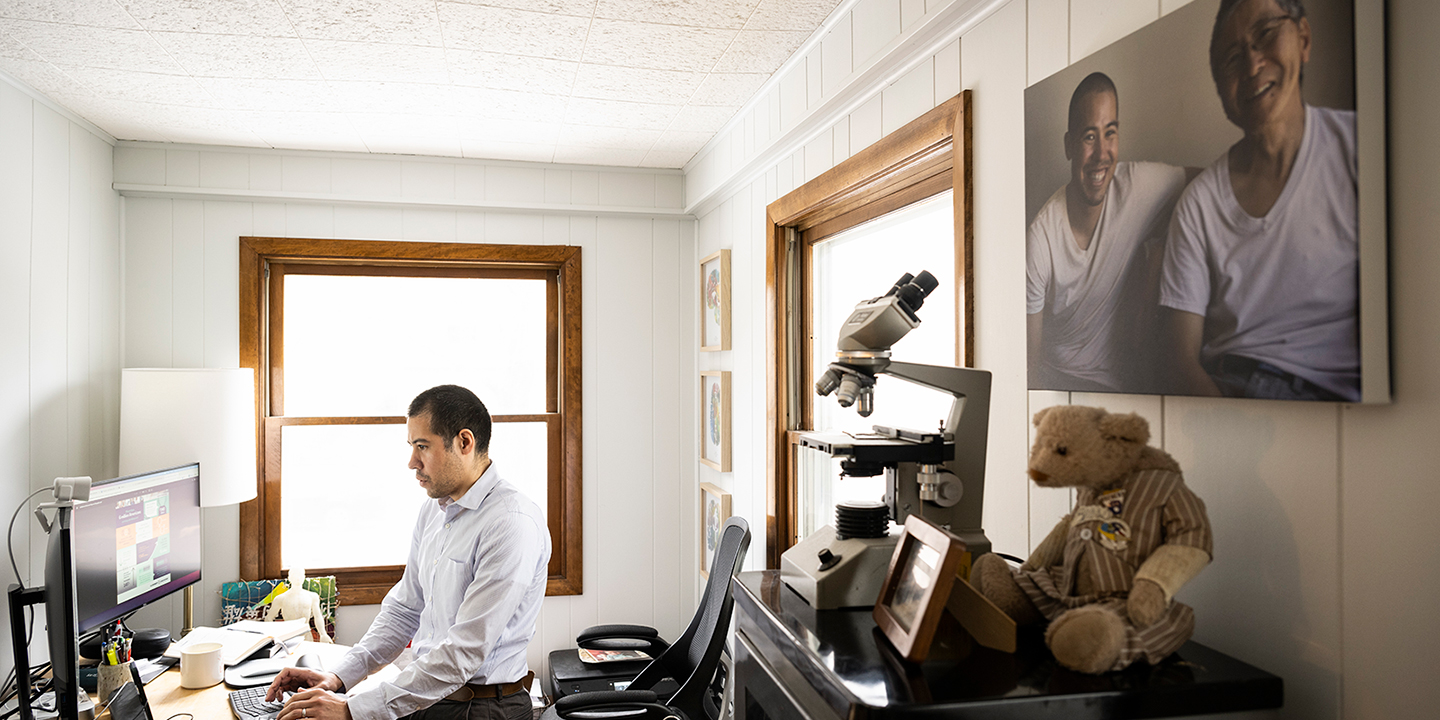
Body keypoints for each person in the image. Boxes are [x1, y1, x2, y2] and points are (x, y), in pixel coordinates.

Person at [266, 385, 551, 720]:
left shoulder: (511, 523)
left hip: (482, 708)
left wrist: (352, 710)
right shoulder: (435, 511)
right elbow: (404, 611)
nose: (412, 462)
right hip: (431, 696)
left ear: (464, 442)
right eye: (412, 447)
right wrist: (340, 677)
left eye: (422, 447)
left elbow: (464, 653)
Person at [1159, 0, 1360, 401]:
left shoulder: (1360, 148)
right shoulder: (1199, 204)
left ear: (1303, 39)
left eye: (1266, 35)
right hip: (1233, 400)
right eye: (1232, 60)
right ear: (1221, 92)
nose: (1251, 67)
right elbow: (1178, 364)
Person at [1027, 72, 1193, 393]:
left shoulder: (1138, 187)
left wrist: (1163, 249)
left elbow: (1209, 185)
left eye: (1110, 133)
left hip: (1118, 390)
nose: (1102, 153)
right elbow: (1029, 370)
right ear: (1069, 145)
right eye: (1089, 136)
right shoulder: (1040, 239)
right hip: (1059, 387)